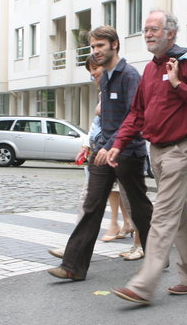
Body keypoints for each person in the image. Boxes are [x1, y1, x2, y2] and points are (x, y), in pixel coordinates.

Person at [107, 9, 187, 305]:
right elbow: (137, 112)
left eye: (154, 29)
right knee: (180, 216)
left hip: (183, 148)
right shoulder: (149, 70)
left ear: (171, 32)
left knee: (164, 214)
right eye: (145, 29)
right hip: (156, 150)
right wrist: (119, 142)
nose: (148, 34)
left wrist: (178, 84)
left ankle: (144, 283)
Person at [47, 26, 153, 280]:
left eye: (100, 46)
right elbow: (106, 118)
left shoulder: (129, 75)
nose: (95, 51)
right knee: (91, 205)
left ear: (114, 45)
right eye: (93, 47)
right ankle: (72, 267)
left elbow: (135, 117)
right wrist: (99, 147)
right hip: (104, 153)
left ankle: (156, 257)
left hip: (129, 153)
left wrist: (112, 145)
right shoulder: (104, 77)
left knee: (139, 208)